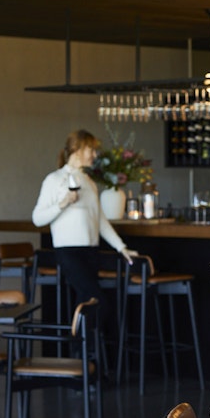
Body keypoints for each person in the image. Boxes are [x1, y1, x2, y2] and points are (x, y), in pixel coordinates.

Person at [32, 130, 137, 329]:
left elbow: (101, 222)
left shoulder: (89, 183)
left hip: (91, 252)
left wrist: (122, 248)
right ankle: (83, 352)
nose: (95, 155)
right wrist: (62, 204)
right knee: (97, 302)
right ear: (77, 149)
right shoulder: (54, 180)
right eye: (91, 149)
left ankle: (84, 355)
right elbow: (37, 218)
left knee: (86, 302)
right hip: (68, 252)